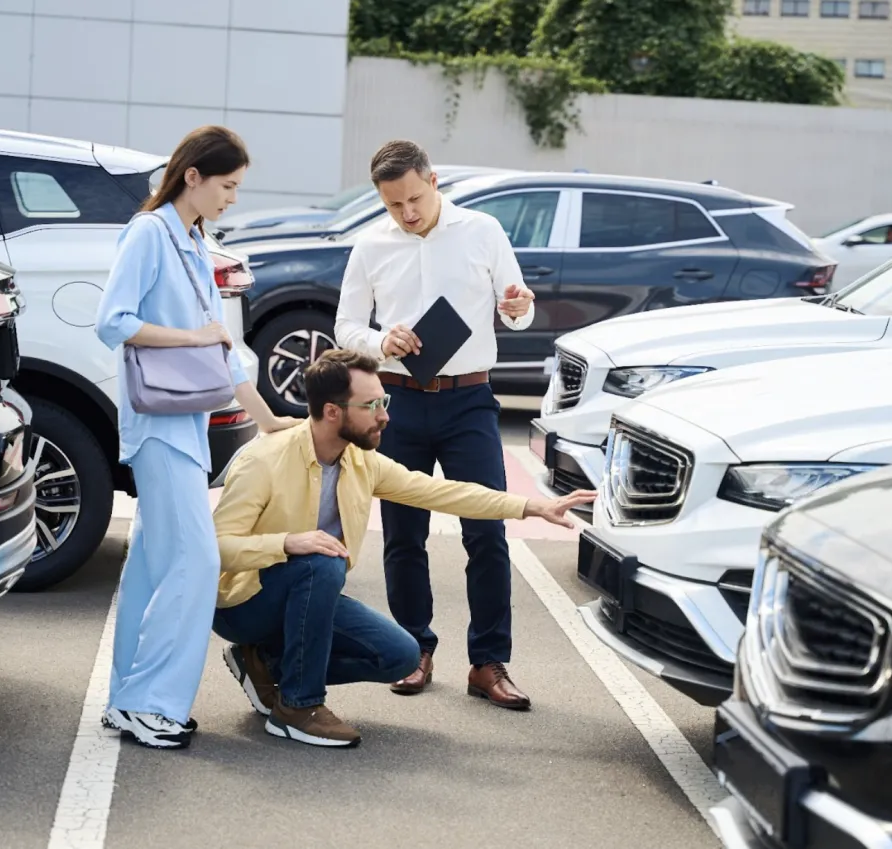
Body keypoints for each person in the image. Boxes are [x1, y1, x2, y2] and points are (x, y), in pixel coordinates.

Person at [212, 350, 594, 747]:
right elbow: (215, 547)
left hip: (307, 589)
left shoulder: (361, 460)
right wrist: (288, 543)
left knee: (400, 656)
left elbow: (438, 491)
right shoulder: (265, 459)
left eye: (384, 401)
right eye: (371, 405)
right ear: (331, 411)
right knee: (321, 562)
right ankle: (298, 706)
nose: (384, 415)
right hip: (244, 605)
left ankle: (261, 662)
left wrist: (531, 506)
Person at [94, 125, 299, 750]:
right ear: (193, 177)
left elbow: (225, 351)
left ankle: (127, 699)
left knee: (156, 566)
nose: (233, 197)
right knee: (196, 559)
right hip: (158, 425)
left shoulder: (191, 237)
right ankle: (150, 703)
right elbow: (114, 322)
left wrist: (268, 420)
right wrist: (191, 338)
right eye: (228, 185)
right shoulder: (150, 232)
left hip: (183, 424)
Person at [334, 140, 541, 710]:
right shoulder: (370, 244)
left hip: (469, 401)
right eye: (393, 204)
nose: (406, 213)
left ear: (433, 179)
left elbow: (516, 310)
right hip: (396, 402)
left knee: (488, 531)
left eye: (415, 198)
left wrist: (519, 308)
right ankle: (413, 651)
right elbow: (346, 324)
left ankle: (489, 663)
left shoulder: (483, 230)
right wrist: (380, 341)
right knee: (403, 536)